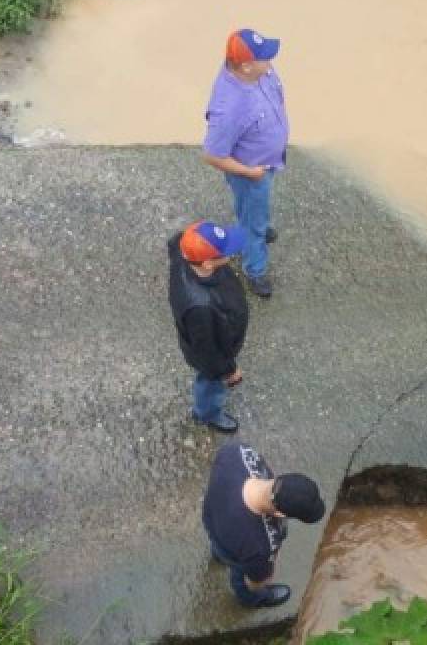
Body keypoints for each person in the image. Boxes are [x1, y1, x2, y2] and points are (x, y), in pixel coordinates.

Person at [202, 28, 290, 298]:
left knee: (255, 214)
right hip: (252, 172)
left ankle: (258, 226)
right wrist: (249, 172)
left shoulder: (259, 72)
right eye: (265, 58)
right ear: (246, 65)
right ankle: (255, 270)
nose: (271, 62)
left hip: (269, 160)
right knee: (252, 222)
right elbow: (212, 154)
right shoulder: (229, 108)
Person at [202, 441, 325, 608]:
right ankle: (250, 600)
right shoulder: (261, 546)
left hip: (211, 519)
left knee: (218, 547)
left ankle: (218, 556)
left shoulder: (236, 452)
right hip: (234, 549)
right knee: (241, 573)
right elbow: (256, 582)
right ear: (280, 514)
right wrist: (270, 563)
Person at [167, 220, 250, 433]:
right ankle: (207, 413)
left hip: (217, 331)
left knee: (210, 376)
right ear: (207, 264)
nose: (230, 255)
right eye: (225, 253)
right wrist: (228, 370)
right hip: (213, 353)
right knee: (210, 382)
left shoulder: (184, 255)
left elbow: (175, 241)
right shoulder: (201, 309)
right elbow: (208, 352)